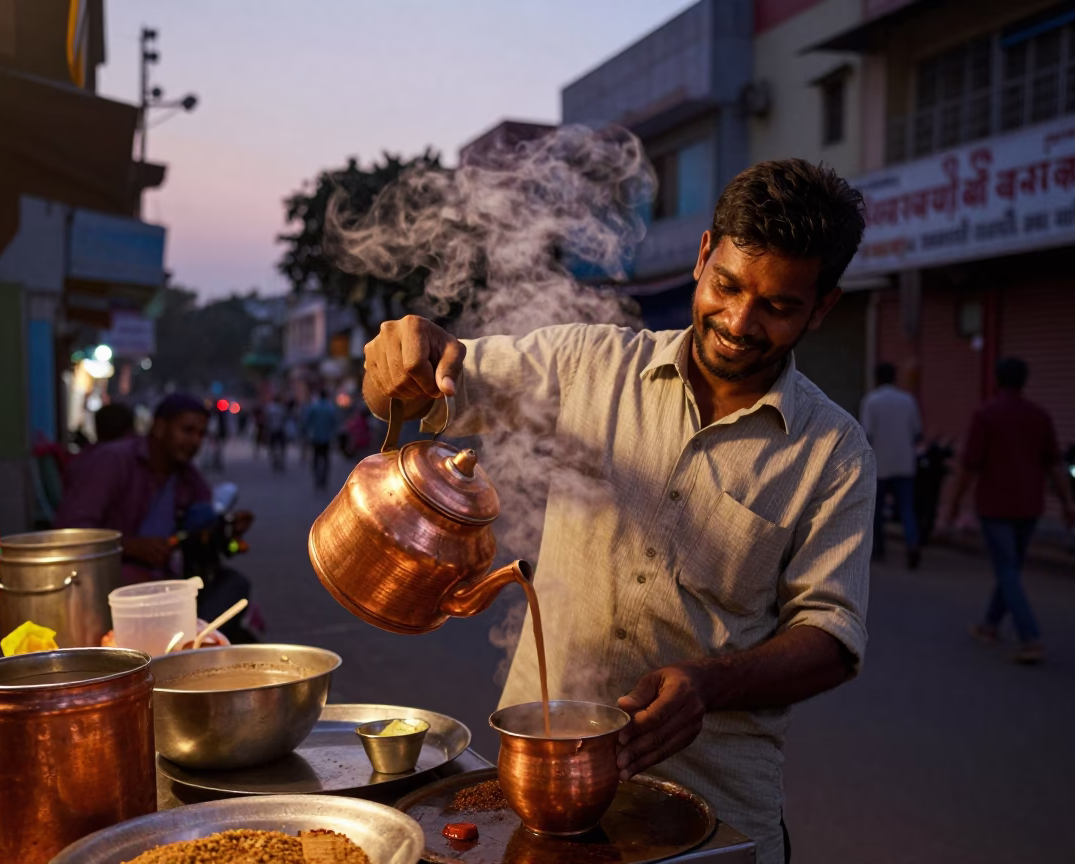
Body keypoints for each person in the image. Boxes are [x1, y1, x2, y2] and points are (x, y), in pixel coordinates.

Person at [360, 160, 874, 863]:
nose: (739, 322)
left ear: (822, 307)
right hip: (537, 796)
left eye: (779, 307)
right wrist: (399, 361)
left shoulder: (834, 451)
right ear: (702, 258)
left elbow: (833, 637)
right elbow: (422, 390)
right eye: (726, 286)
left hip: (716, 808)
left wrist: (709, 685)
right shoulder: (586, 363)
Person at [946, 357, 1075, 665]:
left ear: (997, 379)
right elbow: (1054, 466)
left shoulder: (987, 415)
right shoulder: (1038, 416)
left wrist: (952, 505)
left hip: (995, 506)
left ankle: (1030, 638)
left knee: (1007, 570)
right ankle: (990, 626)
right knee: (1011, 569)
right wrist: (1068, 503)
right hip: (1030, 505)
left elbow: (969, 466)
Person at [56, 393, 253, 583]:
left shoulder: (189, 478)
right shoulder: (114, 460)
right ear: (159, 427)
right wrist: (129, 546)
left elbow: (201, 535)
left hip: (165, 580)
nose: (195, 441)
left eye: (201, 434)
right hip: (107, 579)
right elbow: (71, 530)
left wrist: (227, 531)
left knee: (234, 585)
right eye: (187, 431)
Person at [860, 361, 923, 568]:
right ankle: (912, 544)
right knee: (906, 508)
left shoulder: (872, 401)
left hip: (879, 464)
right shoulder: (908, 400)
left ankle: (878, 549)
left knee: (876, 510)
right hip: (905, 464)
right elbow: (917, 432)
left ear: (877, 378)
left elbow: (866, 434)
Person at [303, 391, 339, 489]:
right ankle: (324, 479)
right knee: (326, 459)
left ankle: (316, 477)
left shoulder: (314, 407)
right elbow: (334, 422)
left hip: (315, 437)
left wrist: (308, 432)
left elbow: (307, 420)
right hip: (326, 438)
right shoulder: (330, 408)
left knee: (315, 458)